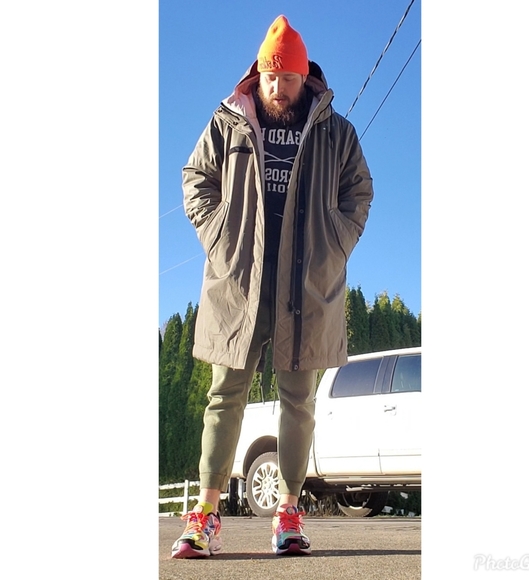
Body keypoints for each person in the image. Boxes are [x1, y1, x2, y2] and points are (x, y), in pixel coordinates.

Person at [172, 14, 373, 559]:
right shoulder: (228, 122)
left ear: (304, 77)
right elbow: (196, 179)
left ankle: (287, 513)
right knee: (224, 394)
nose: (278, 87)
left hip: (306, 283)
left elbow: (359, 191)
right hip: (240, 279)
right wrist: (220, 236)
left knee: (298, 400)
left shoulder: (336, 132)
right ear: (257, 75)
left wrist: (334, 243)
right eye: (270, 77)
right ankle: (205, 516)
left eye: (288, 78)